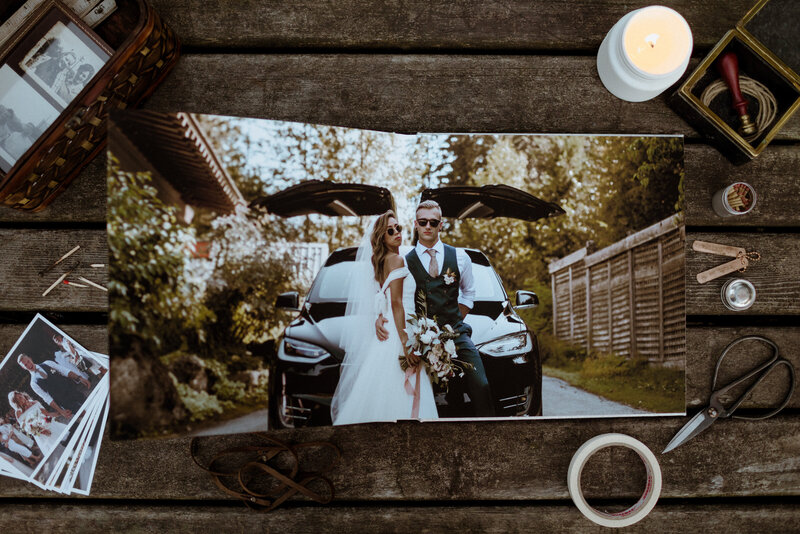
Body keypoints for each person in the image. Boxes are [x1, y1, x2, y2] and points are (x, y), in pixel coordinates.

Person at [376, 200, 497, 417]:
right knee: (428, 396)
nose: (428, 226)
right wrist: (379, 317)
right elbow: (389, 294)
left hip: (456, 334)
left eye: (433, 222)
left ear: (441, 225)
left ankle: (490, 436)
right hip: (421, 338)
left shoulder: (460, 257)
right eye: (423, 222)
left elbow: (469, 293)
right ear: (415, 224)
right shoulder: (404, 260)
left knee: (481, 384)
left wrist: (455, 320)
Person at [331, 210, 438, 425]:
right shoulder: (396, 260)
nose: (397, 232)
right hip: (400, 333)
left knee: (382, 388)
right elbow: (397, 303)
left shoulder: (385, 261)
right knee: (398, 388)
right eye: (390, 230)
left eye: (398, 227)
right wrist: (407, 345)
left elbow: (383, 298)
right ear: (382, 237)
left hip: (393, 329)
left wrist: (380, 317)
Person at [17, 353, 89, 417]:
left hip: (72, 390)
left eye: (28, 361)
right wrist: (61, 411)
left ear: (30, 358)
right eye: (25, 365)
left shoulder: (48, 363)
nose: (29, 365)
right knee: (83, 414)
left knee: (89, 404)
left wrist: (80, 378)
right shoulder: (33, 383)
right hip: (64, 401)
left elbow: (64, 371)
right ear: (23, 367)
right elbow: (47, 398)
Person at [7, 391, 67, 456]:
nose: (21, 399)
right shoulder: (18, 413)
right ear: (16, 403)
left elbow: (47, 414)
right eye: (18, 399)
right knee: (58, 452)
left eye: (20, 396)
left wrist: (61, 413)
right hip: (41, 435)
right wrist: (41, 431)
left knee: (66, 440)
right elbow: (26, 428)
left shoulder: (34, 402)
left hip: (49, 425)